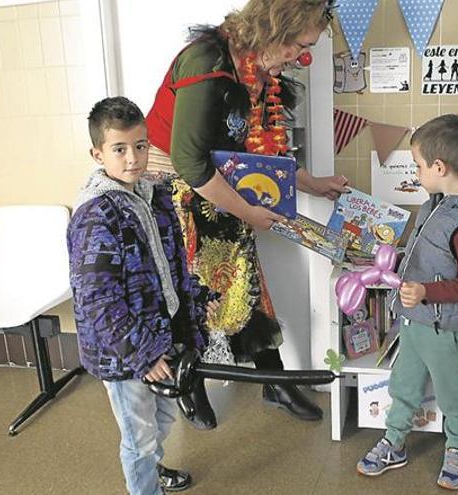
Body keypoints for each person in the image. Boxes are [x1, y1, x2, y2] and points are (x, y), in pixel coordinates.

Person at [144, 0, 349, 424]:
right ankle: (190, 385)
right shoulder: (208, 60)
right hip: (176, 192)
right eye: (299, 45)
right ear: (276, 28)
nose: (301, 57)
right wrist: (249, 212)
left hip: (220, 185)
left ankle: (273, 383)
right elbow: (189, 161)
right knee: (189, 292)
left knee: (246, 280)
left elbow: (261, 154)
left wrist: (310, 183)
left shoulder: (260, 69)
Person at [356, 115, 458, 490]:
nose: (416, 172)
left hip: (445, 330)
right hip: (415, 323)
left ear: (439, 167)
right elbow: (425, 256)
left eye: (417, 165)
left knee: (453, 394)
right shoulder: (437, 204)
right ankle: (394, 441)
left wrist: (427, 292)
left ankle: (457, 447)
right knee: (404, 385)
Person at [68, 97, 217, 495]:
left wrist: (197, 297)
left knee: (163, 417)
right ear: (98, 153)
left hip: (161, 335)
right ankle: (145, 486)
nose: (133, 158)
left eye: (140, 146)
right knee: (139, 437)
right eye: (119, 149)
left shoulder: (154, 197)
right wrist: (143, 354)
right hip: (126, 354)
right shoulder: (96, 215)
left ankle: (153, 468)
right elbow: (97, 299)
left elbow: (171, 266)